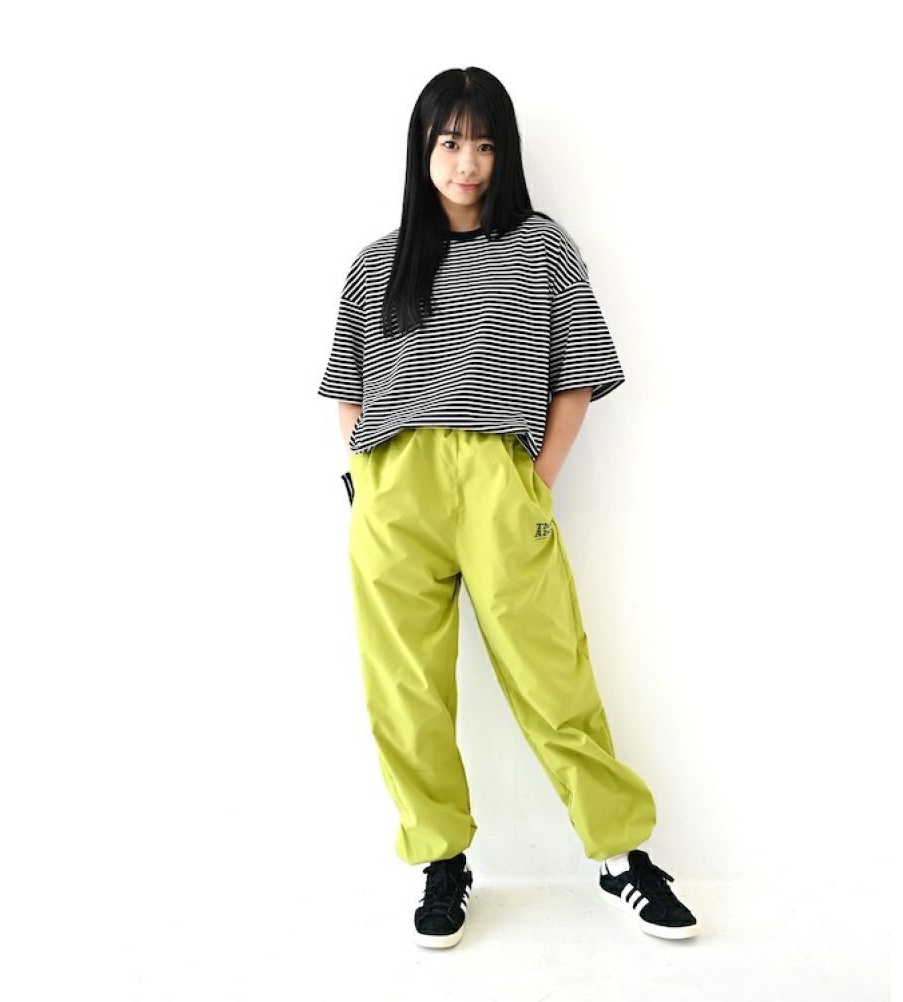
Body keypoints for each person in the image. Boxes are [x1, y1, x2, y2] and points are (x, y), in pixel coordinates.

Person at [317, 66, 699, 949]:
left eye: (485, 145)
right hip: (395, 485)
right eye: (450, 142)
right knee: (404, 686)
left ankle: (620, 855)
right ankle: (441, 861)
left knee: (551, 673)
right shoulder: (378, 263)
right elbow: (350, 389)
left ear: (505, 154)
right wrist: (368, 484)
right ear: (422, 149)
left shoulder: (541, 248)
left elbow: (577, 378)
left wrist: (536, 478)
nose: (467, 163)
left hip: (501, 477)